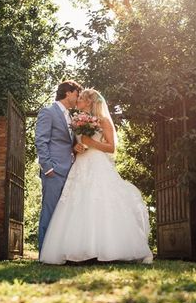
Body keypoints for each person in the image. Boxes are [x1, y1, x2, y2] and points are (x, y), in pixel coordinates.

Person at [39, 88, 153, 265]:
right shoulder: (76, 121)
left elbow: (111, 148)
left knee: (100, 202)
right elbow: (76, 144)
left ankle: (107, 248)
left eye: (82, 98)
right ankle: (81, 250)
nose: (78, 100)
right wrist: (76, 148)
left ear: (89, 102)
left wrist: (91, 143)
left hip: (98, 164)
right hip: (80, 165)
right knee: (78, 204)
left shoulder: (104, 121)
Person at [35, 80, 83, 252]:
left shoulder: (70, 116)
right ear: (68, 93)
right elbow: (41, 141)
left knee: (64, 214)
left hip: (69, 169)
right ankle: (44, 253)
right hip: (53, 172)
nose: (78, 98)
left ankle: (60, 251)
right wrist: (47, 167)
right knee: (50, 211)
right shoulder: (48, 112)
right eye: (77, 94)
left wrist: (74, 148)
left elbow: (63, 142)